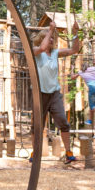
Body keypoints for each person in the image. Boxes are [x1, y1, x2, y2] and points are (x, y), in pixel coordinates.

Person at [33, 22, 81, 163]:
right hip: (39, 94)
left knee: (64, 123)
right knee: (37, 126)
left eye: (53, 37)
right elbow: (42, 47)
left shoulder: (55, 53)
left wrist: (75, 33)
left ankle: (68, 152)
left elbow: (74, 50)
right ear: (42, 38)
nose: (52, 40)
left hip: (54, 93)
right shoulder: (35, 51)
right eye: (49, 37)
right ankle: (35, 153)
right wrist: (51, 29)